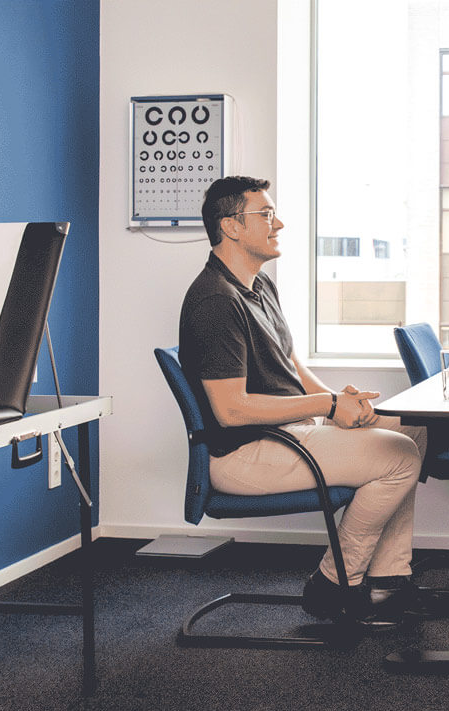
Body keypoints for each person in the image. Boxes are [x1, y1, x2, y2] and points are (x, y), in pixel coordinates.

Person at [178, 176, 426, 628]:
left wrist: (339, 400)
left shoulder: (260, 286)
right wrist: (328, 406)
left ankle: (388, 580)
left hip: (289, 435)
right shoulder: (215, 301)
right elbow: (230, 410)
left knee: (409, 427)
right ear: (230, 226)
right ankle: (336, 583)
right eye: (266, 215)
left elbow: (291, 367)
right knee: (399, 455)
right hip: (245, 453)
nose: (280, 224)